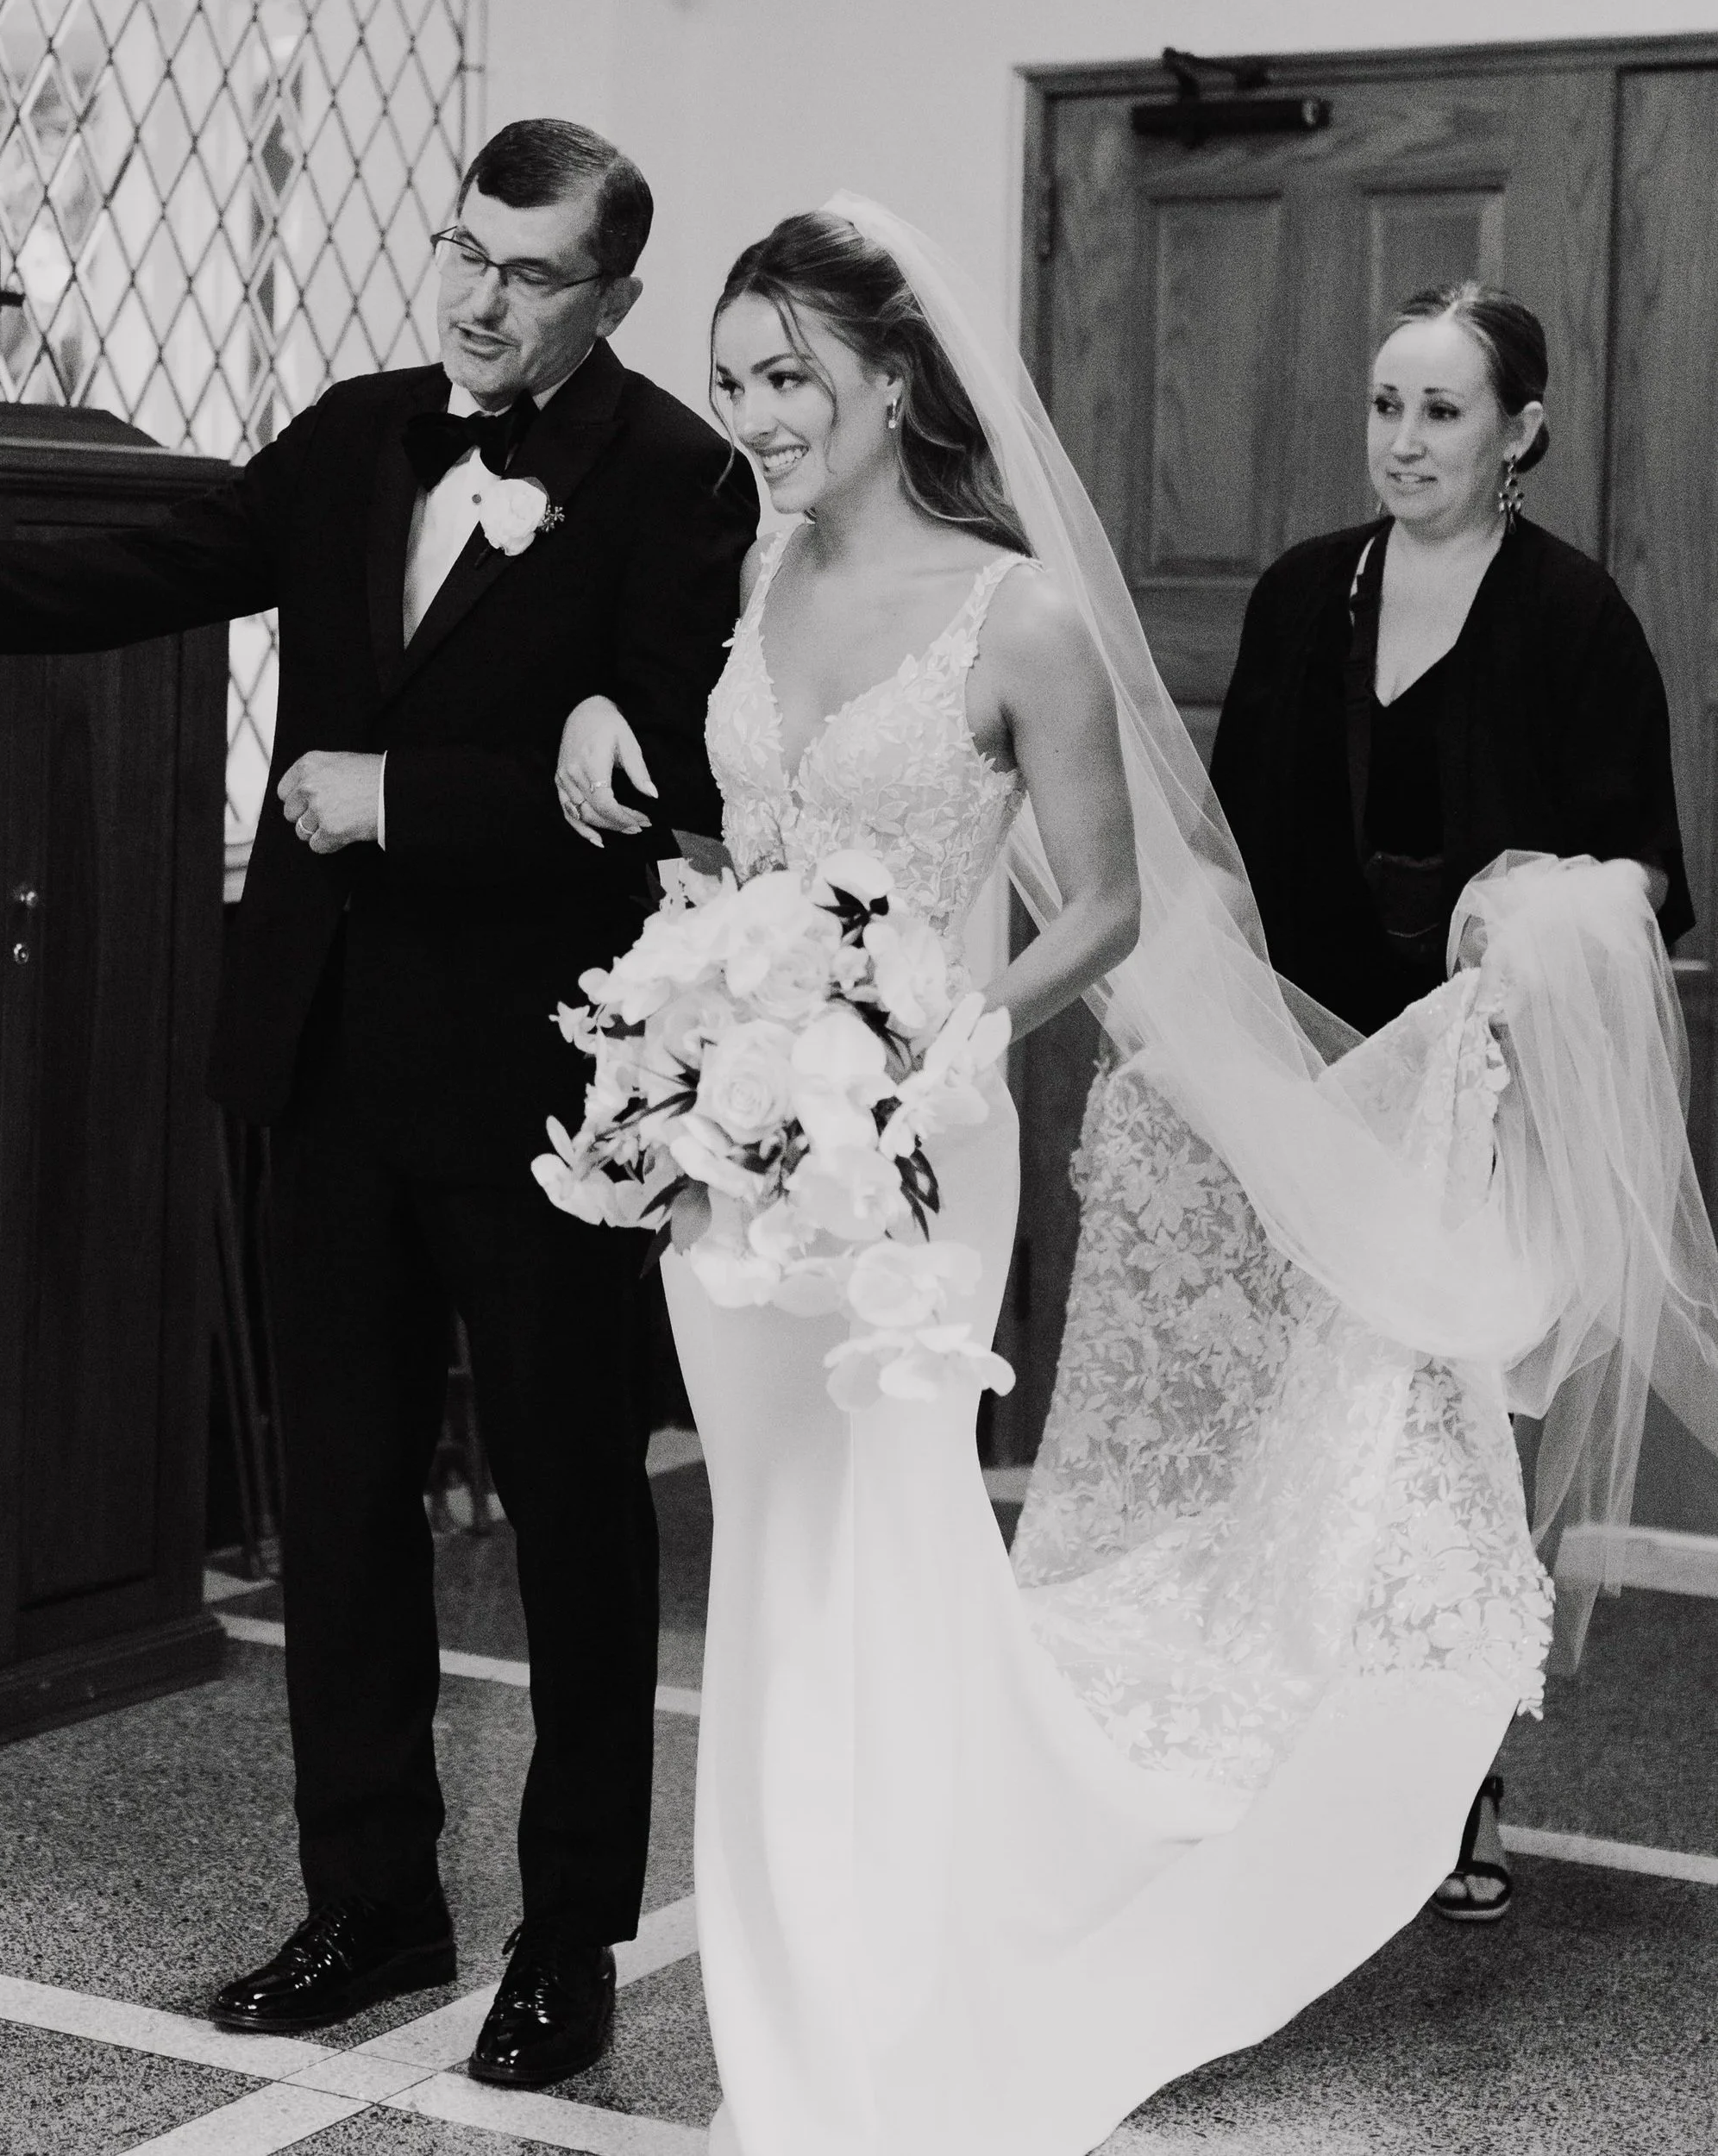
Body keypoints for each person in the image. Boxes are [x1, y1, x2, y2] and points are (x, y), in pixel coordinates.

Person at [555, 204, 1718, 2156]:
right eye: (732, 378)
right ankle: (798, 1955)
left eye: (789, 377)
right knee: (769, 1546)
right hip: (757, 1145)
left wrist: (922, 1041)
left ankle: (966, 1937)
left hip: (1011, 1114)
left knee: (939, 1518)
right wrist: (697, 1014)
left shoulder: (1041, 612)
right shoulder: (759, 586)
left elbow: (1114, 893)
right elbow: (787, 841)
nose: (752, 413)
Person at [0, 118, 757, 2090]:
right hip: (326, 1061)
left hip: (543, 1089)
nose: (475, 297)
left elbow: (672, 778)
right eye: (460, 251)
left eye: (526, 274)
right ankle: (369, 1899)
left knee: (576, 1521)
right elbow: (146, 563)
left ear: (610, 293)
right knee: (337, 1511)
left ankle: (566, 1940)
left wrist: (394, 799)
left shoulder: (678, 481)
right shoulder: (354, 431)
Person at [1191, 282, 1690, 1920]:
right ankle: (1306, 1768)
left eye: (1445, 412)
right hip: (1327, 1083)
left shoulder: (1571, 618)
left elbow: (1649, 880)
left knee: (1464, 1452)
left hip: (1488, 1101)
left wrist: (1540, 903)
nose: (1406, 440)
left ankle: (1458, 1782)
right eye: (1388, 406)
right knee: (1318, 1440)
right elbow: (1240, 853)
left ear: (1520, 431)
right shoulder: (1293, 600)